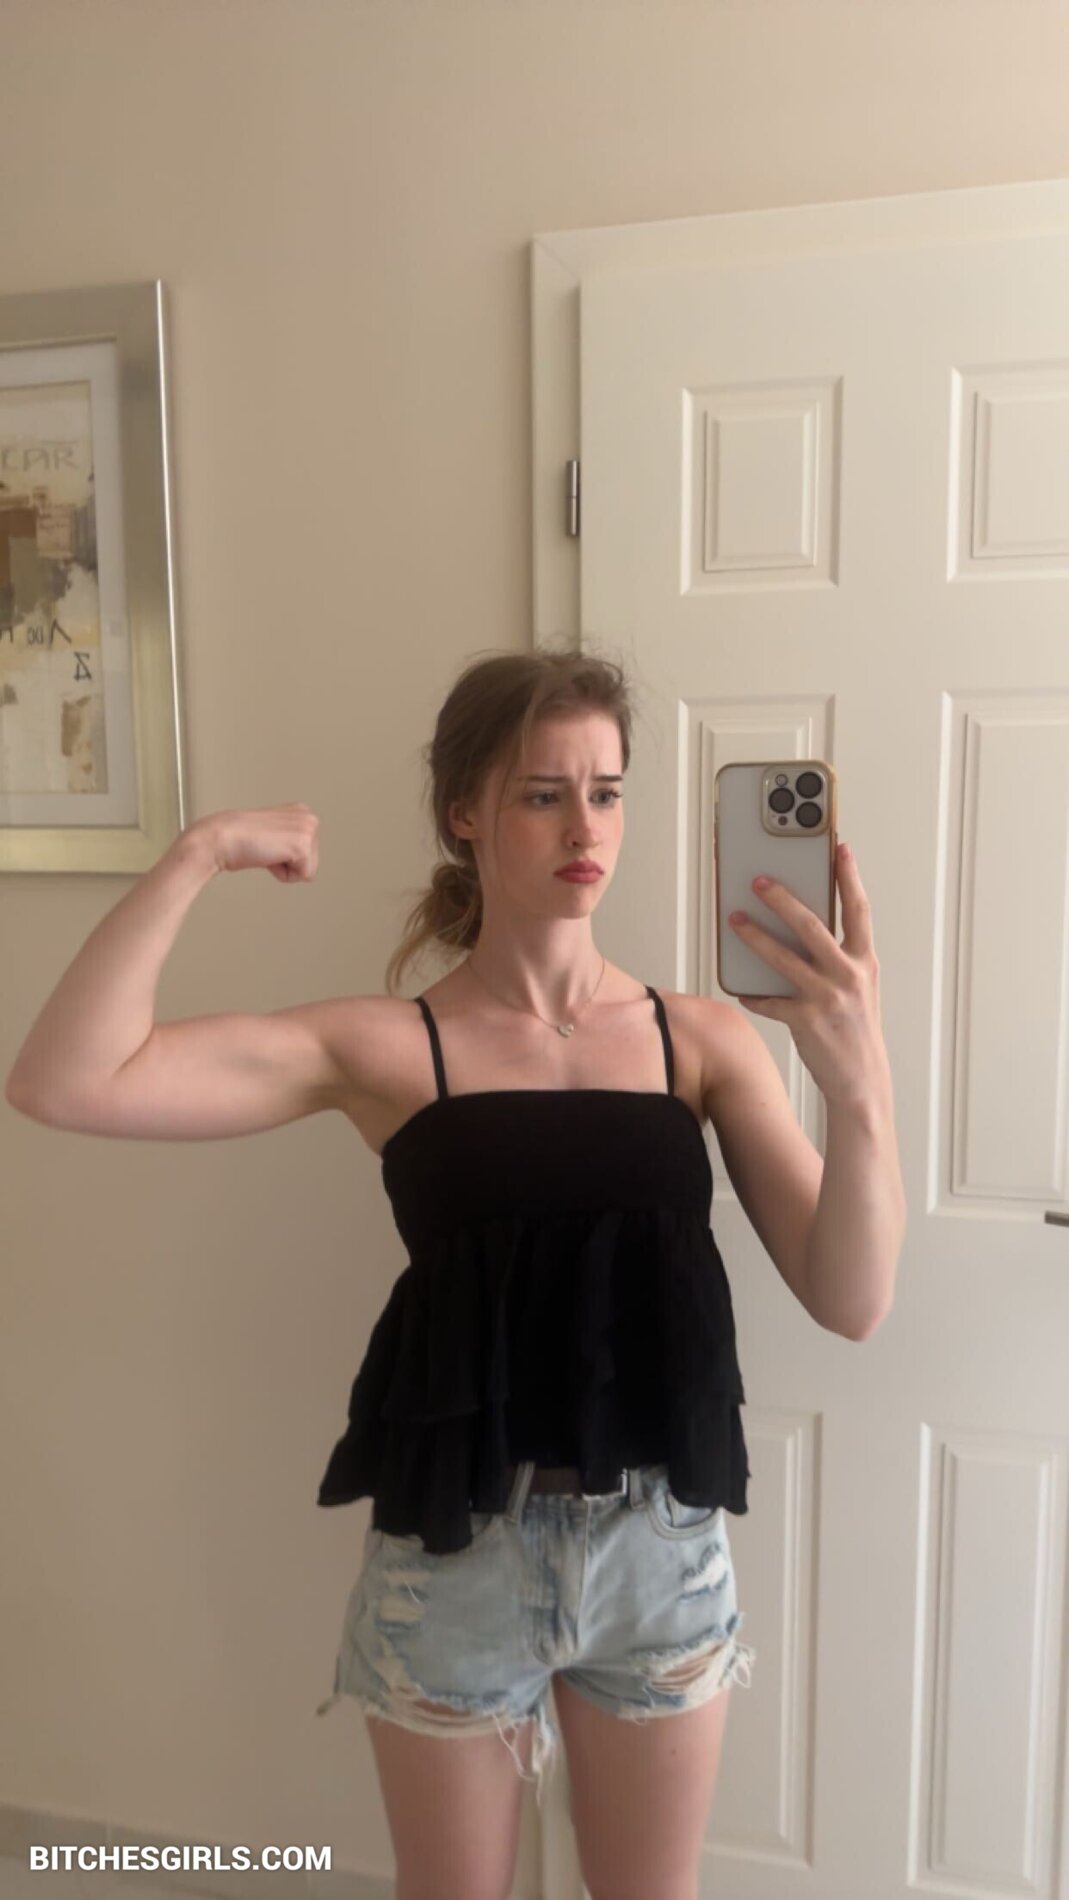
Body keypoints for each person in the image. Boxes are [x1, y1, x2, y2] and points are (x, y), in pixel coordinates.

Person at [6, 644, 760, 1900]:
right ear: (464, 812)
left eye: (606, 791)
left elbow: (854, 1293)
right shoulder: (388, 1045)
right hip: (458, 1551)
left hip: (659, 1547)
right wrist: (197, 853)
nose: (585, 827)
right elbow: (63, 1079)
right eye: (542, 794)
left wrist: (853, 1054)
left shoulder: (698, 1036)